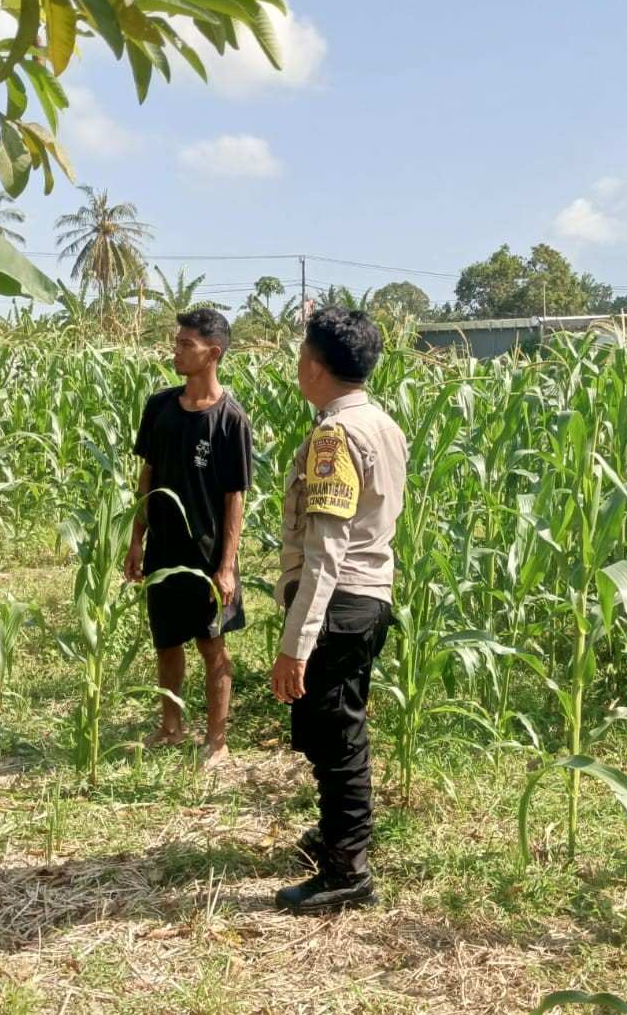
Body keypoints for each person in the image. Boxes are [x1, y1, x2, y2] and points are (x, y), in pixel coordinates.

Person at [269, 307, 407, 914]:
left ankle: (347, 872)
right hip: (368, 597)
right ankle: (333, 839)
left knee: (339, 736)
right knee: (333, 730)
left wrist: (295, 643)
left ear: (316, 367)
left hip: (338, 601)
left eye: (303, 353)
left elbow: (326, 551)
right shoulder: (383, 424)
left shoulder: (334, 437)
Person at [125, 308, 252, 768]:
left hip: (208, 554)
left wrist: (226, 566)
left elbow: (234, 497)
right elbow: (148, 476)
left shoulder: (231, 420)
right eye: (176, 342)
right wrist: (136, 540)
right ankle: (171, 727)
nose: (175, 351)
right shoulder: (159, 407)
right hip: (163, 547)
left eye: (186, 345)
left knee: (211, 645)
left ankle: (217, 742)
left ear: (213, 353)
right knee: (167, 640)